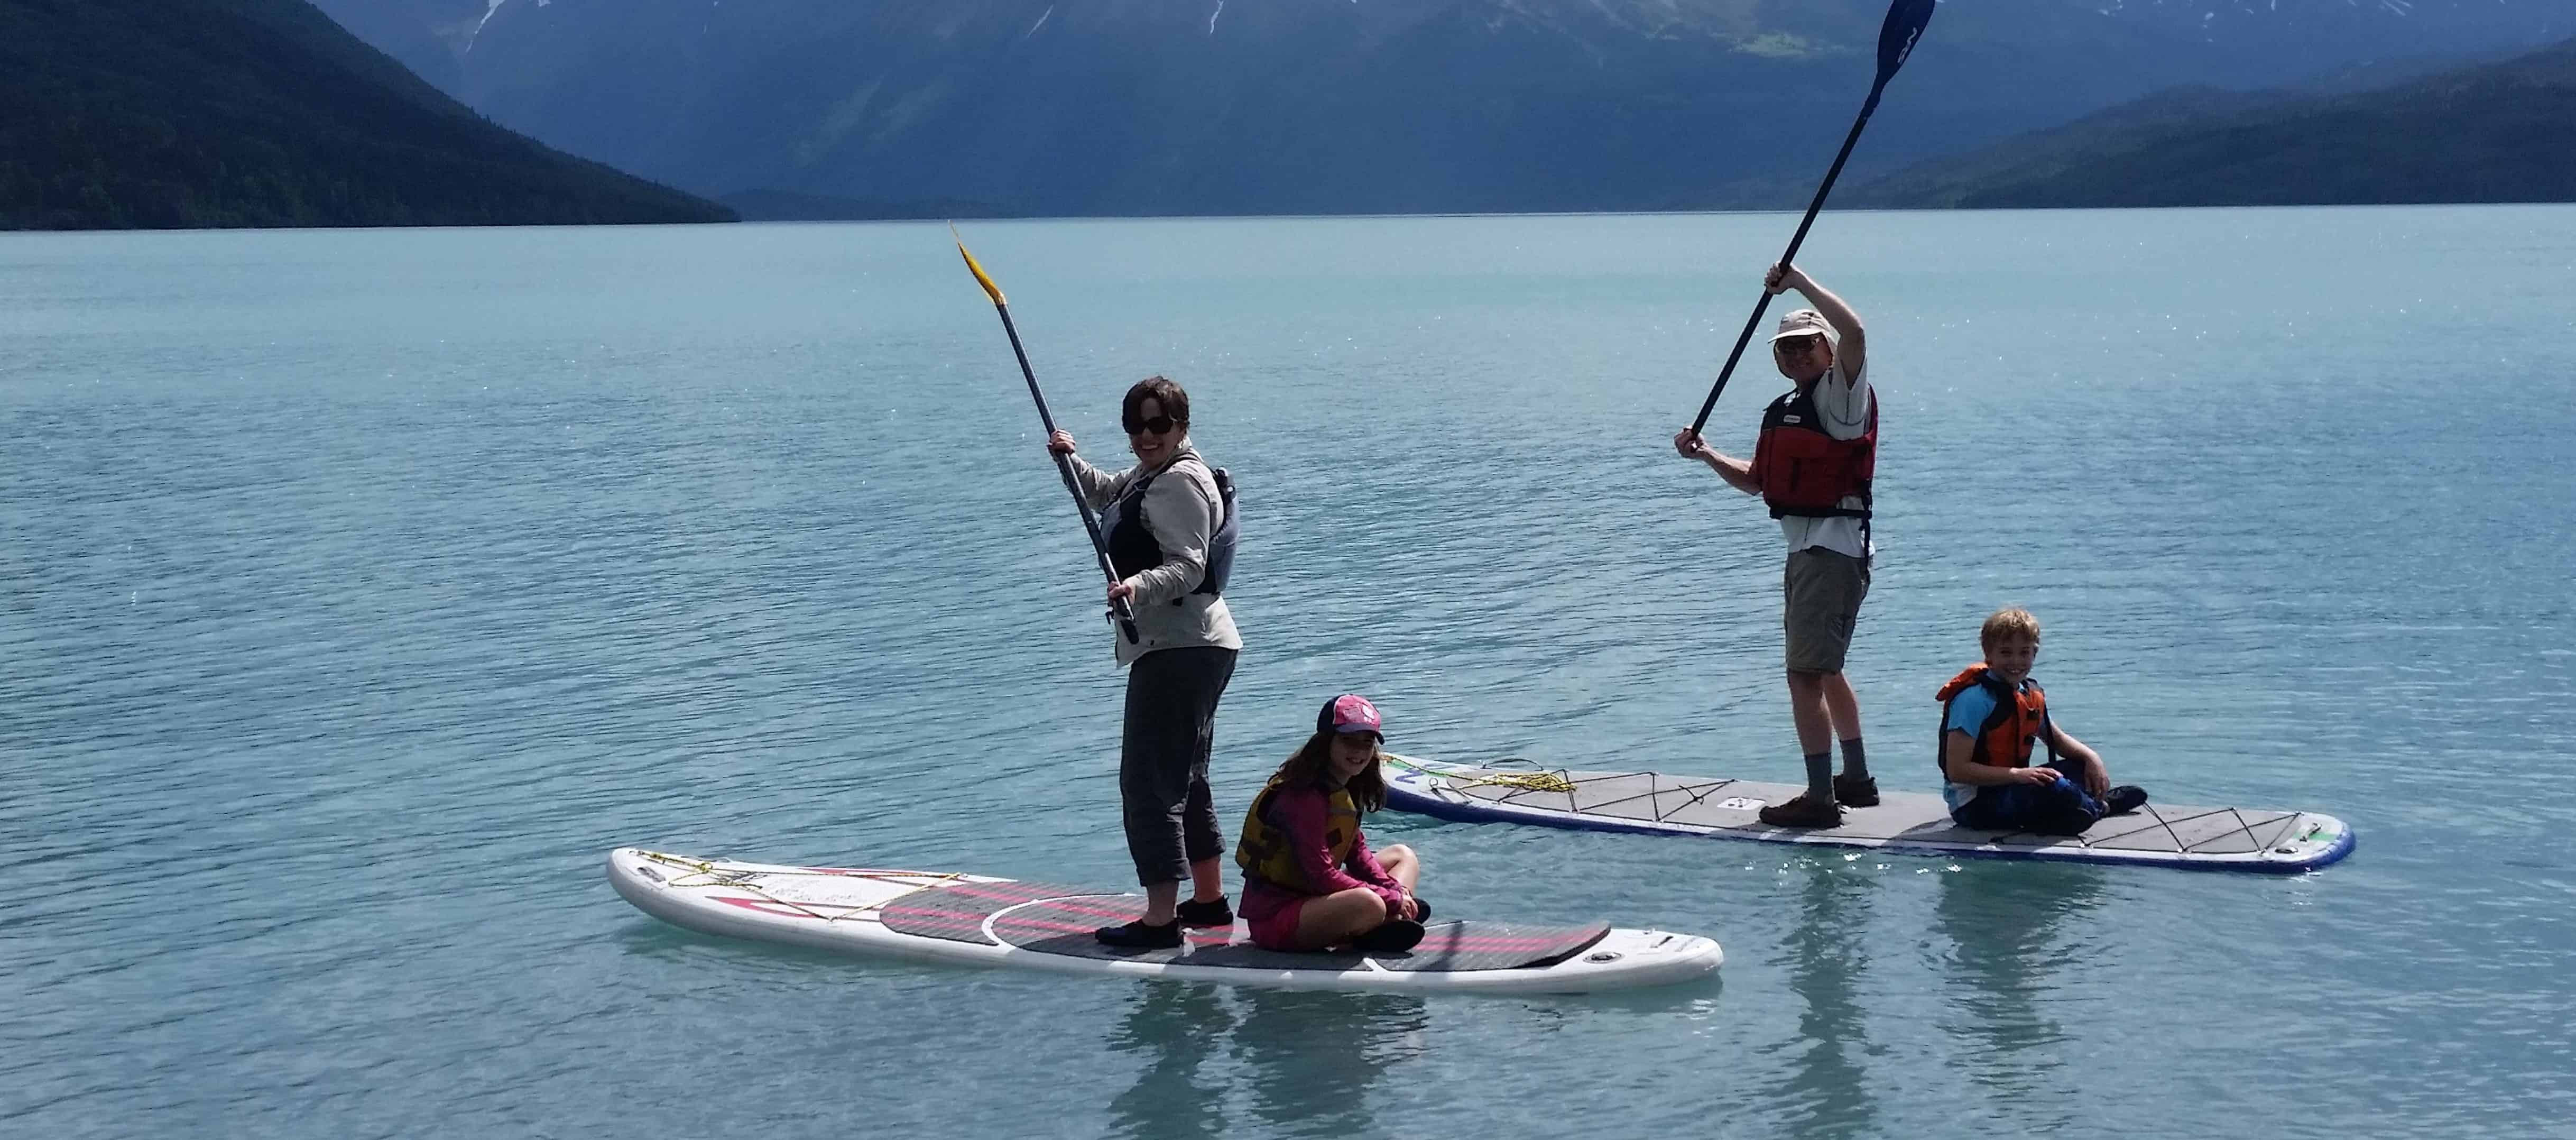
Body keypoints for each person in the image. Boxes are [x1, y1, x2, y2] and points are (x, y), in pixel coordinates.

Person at [1673, 262, 1879, 828]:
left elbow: (1857, 333)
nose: (1794, 357)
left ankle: (1819, 798)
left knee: (1803, 676)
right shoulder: (1788, 407)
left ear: (1827, 351)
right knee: (1826, 669)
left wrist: (1800, 282)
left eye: (1805, 347)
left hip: (1829, 553)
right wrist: (1708, 454)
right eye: (1785, 349)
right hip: (1811, 553)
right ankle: (1855, 780)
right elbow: (1758, 481)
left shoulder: (1842, 397)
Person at [1048, 376, 1244, 948]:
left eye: (1158, 424)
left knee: (1147, 782)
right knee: (1186, 776)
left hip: (1181, 647)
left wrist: (1135, 586)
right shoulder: (1152, 475)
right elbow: (1108, 493)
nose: (1145, 435)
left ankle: (1161, 919)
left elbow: (1188, 565)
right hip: (1195, 645)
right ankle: (1207, 904)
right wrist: (1070, 460)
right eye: (1135, 425)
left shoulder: (1181, 481)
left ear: (1182, 425)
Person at [1234, 695, 1429, 954]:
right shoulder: (1303, 797)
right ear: (1326, 742)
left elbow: (1358, 854)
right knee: (1370, 903)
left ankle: (1386, 921)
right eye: (1349, 741)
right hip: (1276, 919)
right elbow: (1322, 876)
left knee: (1403, 856)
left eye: (1367, 742)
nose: (1359, 751)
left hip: (1315, 900)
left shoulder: (1343, 788)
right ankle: (1379, 922)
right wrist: (1390, 898)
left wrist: (1394, 889)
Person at [1936, 608, 2148, 834]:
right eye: (2006, 653)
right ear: (1988, 654)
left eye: (2024, 652)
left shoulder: (2029, 694)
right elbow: (1958, 770)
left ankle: (2082, 806)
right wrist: (2019, 775)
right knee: (2055, 786)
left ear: (2034, 654)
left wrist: (2092, 758)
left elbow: (2058, 740)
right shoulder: (1973, 700)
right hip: (1974, 805)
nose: (2016, 661)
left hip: (2012, 786)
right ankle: (2099, 807)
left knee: (2078, 767)